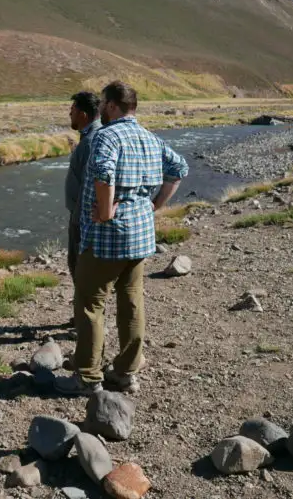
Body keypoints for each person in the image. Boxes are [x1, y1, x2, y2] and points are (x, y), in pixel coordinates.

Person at [55, 80, 189, 396]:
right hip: (141, 236)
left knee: (90, 303)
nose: (100, 107)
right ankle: (126, 373)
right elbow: (179, 169)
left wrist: (104, 211)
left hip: (107, 236)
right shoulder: (150, 138)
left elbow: (103, 173)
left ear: (113, 105)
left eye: (103, 103)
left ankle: (88, 376)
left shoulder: (107, 136)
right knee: (131, 301)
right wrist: (154, 205)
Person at [64, 91, 101, 280]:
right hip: (83, 215)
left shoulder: (91, 141)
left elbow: (90, 185)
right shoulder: (91, 136)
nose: (70, 114)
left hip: (82, 218)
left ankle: (85, 306)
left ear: (83, 115)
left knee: (79, 267)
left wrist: (78, 221)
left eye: (72, 110)